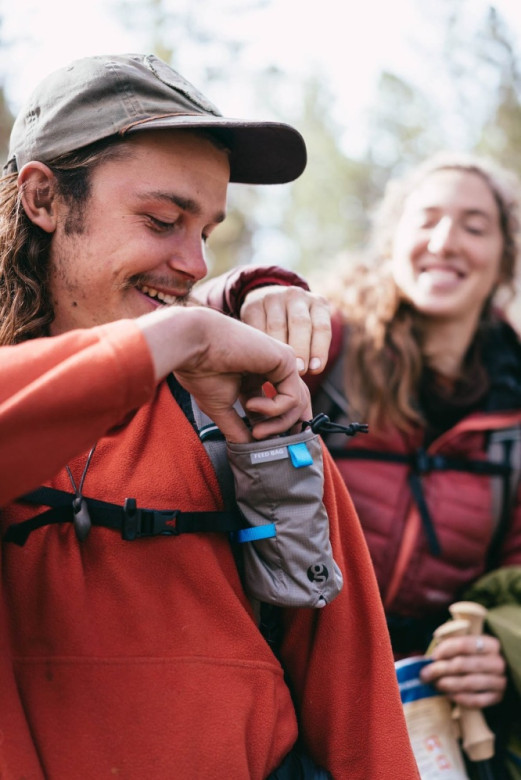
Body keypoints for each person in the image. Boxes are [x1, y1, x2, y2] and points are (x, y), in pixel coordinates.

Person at [0, 53, 419, 779]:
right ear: (43, 198)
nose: (194, 262)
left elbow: (360, 707)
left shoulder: (241, 415)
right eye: (162, 220)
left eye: (206, 231)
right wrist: (180, 334)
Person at [218, 151, 521, 769]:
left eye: (474, 226)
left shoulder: (514, 407)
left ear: (505, 258)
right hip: (284, 675)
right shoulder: (324, 347)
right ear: (392, 241)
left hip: (426, 709)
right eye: (427, 219)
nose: (445, 241)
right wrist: (249, 291)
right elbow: (194, 340)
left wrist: (504, 645)